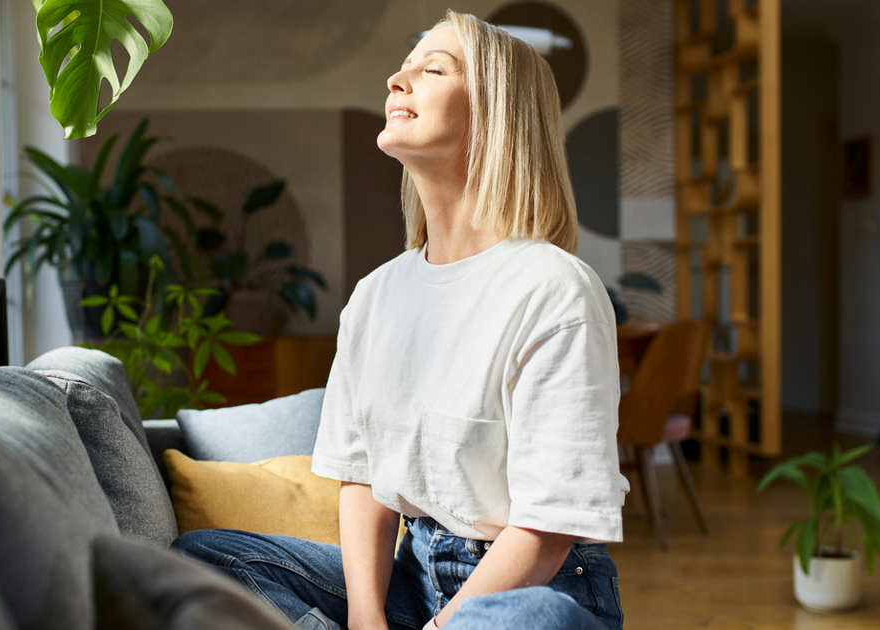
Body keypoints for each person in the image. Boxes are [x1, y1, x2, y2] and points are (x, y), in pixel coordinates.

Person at [170, 9, 630, 630]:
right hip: (412, 578)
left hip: (532, 589)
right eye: (404, 65)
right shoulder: (376, 294)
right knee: (203, 560)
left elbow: (548, 528)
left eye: (431, 69)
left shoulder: (554, 289)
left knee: (534, 617)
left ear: (493, 116)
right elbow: (361, 480)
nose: (396, 79)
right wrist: (366, 617)